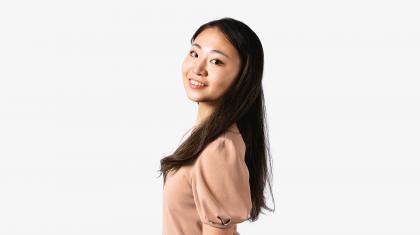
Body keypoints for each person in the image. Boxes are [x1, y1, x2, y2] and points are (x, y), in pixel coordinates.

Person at [159, 17, 275, 235]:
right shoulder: (206, 138)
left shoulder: (218, 149)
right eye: (194, 53)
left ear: (242, 77)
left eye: (216, 61)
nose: (198, 68)